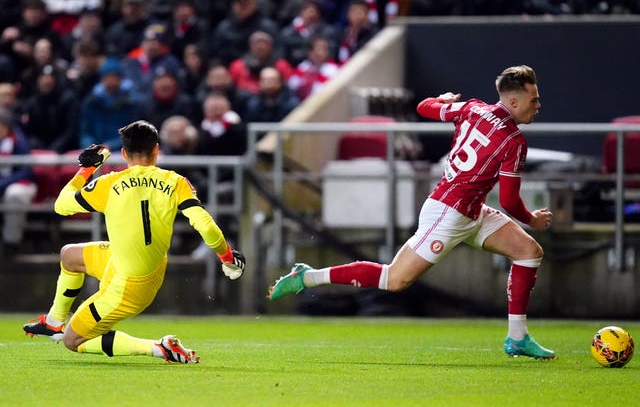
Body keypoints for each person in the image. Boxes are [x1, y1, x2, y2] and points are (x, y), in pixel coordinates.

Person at [268, 65, 556, 360]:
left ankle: (517, 337)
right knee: (395, 279)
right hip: (449, 214)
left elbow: (423, 107)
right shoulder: (513, 141)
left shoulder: (472, 108)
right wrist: (532, 218)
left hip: (470, 210)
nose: (538, 105)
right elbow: (508, 200)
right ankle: (308, 277)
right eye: (534, 99)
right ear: (514, 102)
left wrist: (442, 100)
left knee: (528, 251)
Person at [23, 120, 246, 363]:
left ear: (123, 153)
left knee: (73, 341)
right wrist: (227, 256)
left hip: (130, 286)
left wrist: (86, 170)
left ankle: (160, 348)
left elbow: (61, 205)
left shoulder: (109, 182)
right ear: (157, 150)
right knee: (69, 255)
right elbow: (205, 225)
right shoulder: (175, 181)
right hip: (137, 264)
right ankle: (55, 321)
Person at [0, 107, 36, 256]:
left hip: (20, 183)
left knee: (14, 195)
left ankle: (11, 244)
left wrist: (3, 184)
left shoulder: (19, 141)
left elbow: (25, 170)